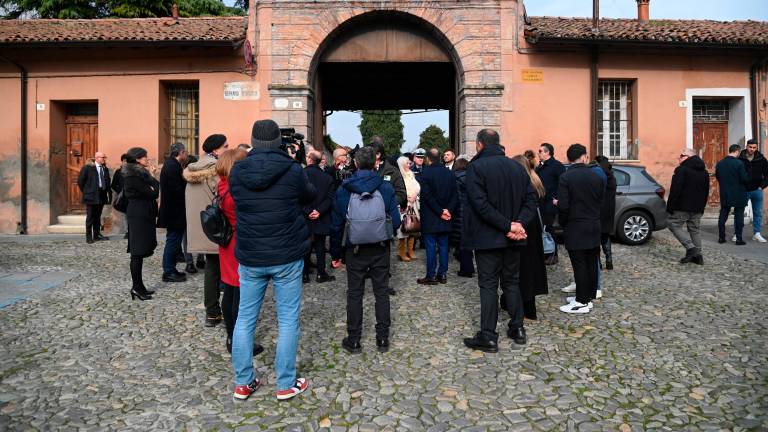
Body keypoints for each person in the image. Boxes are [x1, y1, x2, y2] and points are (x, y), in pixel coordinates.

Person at [229, 119, 314, 401]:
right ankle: (286, 383)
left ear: (253, 141)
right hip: (286, 253)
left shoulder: (238, 170)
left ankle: (243, 382)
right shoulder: (291, 169)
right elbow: (308, 195)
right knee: (288, 319)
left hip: (251, 253)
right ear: (278, 141)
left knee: (244, 319)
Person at [462, 129, 537, 352]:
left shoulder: (476, 167)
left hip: (489, 238)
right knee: (511, 283)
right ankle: (517, 328)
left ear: (479, 145)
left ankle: (488, 336)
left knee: (488, 286)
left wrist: (511, 226)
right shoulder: (516, 167)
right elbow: (531, 200)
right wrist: (518, 224)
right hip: (513, 237)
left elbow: (479, 204)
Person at [329, 146, 401, 355]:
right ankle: (382, 338)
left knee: (354, 293)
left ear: (356, 164)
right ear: (375, 164)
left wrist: (336, 254)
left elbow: (336, 226)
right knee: (381, 293)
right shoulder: (385, 188)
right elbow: (395, 222)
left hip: (355, 249)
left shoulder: (344, 189)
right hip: (380, 248)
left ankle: (354, 339)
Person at [215, 148, 265, 356]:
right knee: (240, 295)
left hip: (228, 244)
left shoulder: (222, 185)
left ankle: (232, 336)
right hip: (239, 242)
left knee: (231, 290)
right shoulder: (236, 192)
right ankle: (238, 340)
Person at [184, 134, 229, 327]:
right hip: (217, 228)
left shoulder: (194, 169)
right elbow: (223, 198)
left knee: (212, 270)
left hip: (202, 227)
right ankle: (223, 311)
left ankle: (212, 313)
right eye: (225, 146)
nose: (228, 149)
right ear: (216, 149)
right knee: (222, 271)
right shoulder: (215, 170)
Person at [557, 144, 605, 314]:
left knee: (580, 265)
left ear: (569, 158)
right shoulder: (597, 177)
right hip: (594, 224)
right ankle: (587, 296)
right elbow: (600, 202)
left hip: (576, 225)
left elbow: (563, 206)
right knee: (591, 262)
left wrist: (563, 223)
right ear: (584, 157)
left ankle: (581, 301)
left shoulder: (566, 177)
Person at [508, 155, 548, 320]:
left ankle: (522, 306)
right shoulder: (536, 181)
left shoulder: (522, 184)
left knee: (522, 268)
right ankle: (530, 307)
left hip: (523, 226)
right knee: (532, 267)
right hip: (534, 228)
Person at [122, 147, 159, 301]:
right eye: (145, 157)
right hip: (138, 214)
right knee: (137, 253)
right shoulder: (132, 176)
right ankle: (136, 288)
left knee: (140, 252)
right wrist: (153, 177)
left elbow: (152, 190)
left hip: (142, 212)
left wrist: (151, 177)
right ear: (137, 159)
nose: (147, 159)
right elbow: (153, 192)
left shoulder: (138, 173)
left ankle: (140, 286)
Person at [417, 153, 458, 285]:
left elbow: (427, 196)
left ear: (428, 159)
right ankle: (443, 274)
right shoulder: (449, 173)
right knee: (444, 246)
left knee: (430, 247)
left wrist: (441, 211)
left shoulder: (426, 173)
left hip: (431, 216)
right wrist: (448, 210)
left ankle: (431, 275)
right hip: (445, 216)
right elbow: (455, 195)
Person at [667, 148, 709, 265]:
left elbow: (675, 190)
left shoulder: (682, 170)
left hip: (682, 207)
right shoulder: (704, 172)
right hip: (697, 207)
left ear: (688, 157)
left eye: (682, 155)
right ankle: (697, 256)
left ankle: (691, 248)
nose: (679, 157)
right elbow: (706, 191)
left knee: (672, 224)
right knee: (694, 230)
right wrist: (702, 207)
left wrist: (670, 207)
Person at [303, 150, 336, 283]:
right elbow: (330, 198)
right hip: (320, 216)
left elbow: (297, 197)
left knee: (306, 245)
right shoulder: (327, 177)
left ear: (310, 160)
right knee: (320, 245)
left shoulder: (301, 175)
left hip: (305, 216)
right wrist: (318, 211)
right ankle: (321, 274)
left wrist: (308, 211)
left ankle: (304, 274)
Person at [157, 143, 188, 283]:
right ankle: (168, 271)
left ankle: (170, 268)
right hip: (174, 211)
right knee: (173, 241)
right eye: (185, 152)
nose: (186, 155)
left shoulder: (170, 164)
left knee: (173, 240)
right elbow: (177, 190)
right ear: (181, 152)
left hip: (173, 210)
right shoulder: (172, 166)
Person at [535, 143, 565, 260]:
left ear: (547, 152)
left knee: (549, 228)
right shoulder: (539, 167)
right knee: (542, 228)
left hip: (550, 203)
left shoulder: (557, 166)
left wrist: (557, 199)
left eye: (540, 151)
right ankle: (545, 252)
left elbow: (563, 184)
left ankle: (552, 254)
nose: (538, 153)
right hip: (540, 203)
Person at [716, 144, 750, 245]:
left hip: (725, 192)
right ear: (737, 151)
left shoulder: (720, 163)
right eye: (739, 152)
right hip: (739, 192)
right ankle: (739, 239)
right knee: (739, 215)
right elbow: (744, 179)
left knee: (723, 214)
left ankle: (721, 238)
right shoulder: (739, 163)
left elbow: (718, 177)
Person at [77, 151, 111, 243]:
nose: (104, 159)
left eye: (105, 157)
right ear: (97, 158)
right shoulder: (88, 168)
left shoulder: (105, 169)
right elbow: (80, 181)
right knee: (90, 217)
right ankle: (88, 237)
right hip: (91, 196)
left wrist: (108, 196)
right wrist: (87, 191)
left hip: (101, 195)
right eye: (102, 157)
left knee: (97, 216)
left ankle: (96, 235)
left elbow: (108, 183)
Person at [739, 139, 768, 242]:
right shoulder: (740, 158)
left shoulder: (761, 159)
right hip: (743, 190)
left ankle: (757, 233)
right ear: (746, 146)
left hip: (757, 190)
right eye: (750, 147)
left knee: (757, 213)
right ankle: (737, 234)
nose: (752, 149)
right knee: (739, 212)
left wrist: (762, 186)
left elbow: (767, 175)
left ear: (757, 147)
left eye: (754, 147)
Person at [451, 156, 475, 277]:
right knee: (467, 242)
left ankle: (466, 268)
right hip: (470, 212)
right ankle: (469, 266)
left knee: (462, 242)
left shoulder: (454, 178)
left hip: (459, 211)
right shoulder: (472, 177)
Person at [369, 137, 407, 208]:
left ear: (378, 155)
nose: (367, 156)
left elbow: (401, 194)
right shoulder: (365, 170)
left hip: (387, 215)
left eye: (370, 154)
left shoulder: (393, 171)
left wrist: (386, 203)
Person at [396, 155, 420, 262]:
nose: (409, 164)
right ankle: (401, 252)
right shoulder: (398, 176)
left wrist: (415, 195)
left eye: (409, 163)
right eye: (407, 163)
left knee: (412, 226)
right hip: (403, 204)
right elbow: (397, 190)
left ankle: (410, 251)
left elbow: (417, 187)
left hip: (413, 203)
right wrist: (405, 198)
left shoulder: (411, 174)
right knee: (403, 228)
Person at [594, 155, 617, 270]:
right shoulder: (612, 176)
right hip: (608, 211)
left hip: (598, 210)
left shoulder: (597, 175)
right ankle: (609, 261)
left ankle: (598, 263)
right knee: (605, 235)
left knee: (596, 237)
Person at [110, 153, 128, 238]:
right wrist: (120, 191)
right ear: (123, 161)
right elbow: (113, 185)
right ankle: (127, 231)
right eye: (126, 161)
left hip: (132, 196)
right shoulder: (118, 172)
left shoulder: (132, 171)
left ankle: (132, 231)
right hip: (123, 197)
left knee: (131, 214)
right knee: (124, 214)